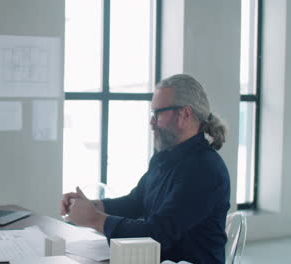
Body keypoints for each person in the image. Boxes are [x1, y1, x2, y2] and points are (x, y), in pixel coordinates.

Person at [61, 74, 230, 264]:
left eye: (157, 114)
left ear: (185, 114)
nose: (151, 123)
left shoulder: (204, 170)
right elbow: (136, 202)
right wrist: (91, 205)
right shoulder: (164, 157)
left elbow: (156, 235)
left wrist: (94, 219)